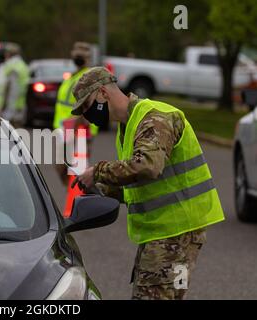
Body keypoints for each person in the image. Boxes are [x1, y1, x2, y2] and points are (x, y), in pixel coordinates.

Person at [71, 66, 225, 300]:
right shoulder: (128, 127)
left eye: (87, 105)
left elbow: (148, 166)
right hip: (165, 233)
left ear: (103, 93)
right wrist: (103, 190)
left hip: (176, 233)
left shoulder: (155, 117)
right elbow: (140, 184)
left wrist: (98, 172)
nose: (87, 113)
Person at [53, 42, 98, 185]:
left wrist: (73, 127)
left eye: (81, 56)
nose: (77, 58)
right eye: (76, 55)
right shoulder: (74, 76)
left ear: (88, 58)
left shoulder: (87, 78)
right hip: (65, 128)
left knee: (74, 169)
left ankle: (78, 196)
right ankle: (73, 194)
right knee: (65, 167)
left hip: (77, 129)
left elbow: (89, 107)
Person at [0, 43, 30, 127]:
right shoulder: (23, 65)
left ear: (10, 54)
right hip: (19, 104)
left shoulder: (11, 67)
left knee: (9, 134)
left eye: (7, 52)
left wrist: (6, 109)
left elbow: (12, 90)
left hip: (11, 107)